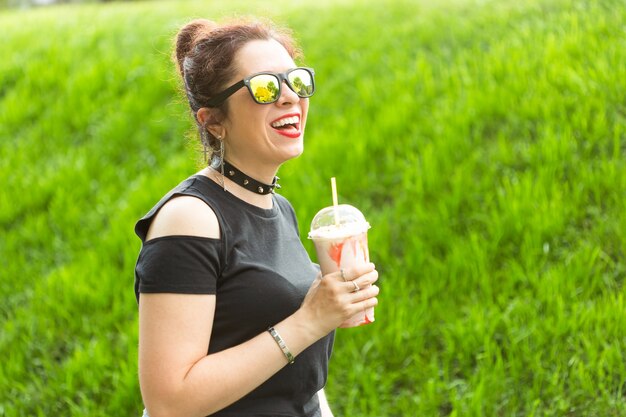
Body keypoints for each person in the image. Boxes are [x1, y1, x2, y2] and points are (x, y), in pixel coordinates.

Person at [133, 17, 380, 417]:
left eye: (296, 81)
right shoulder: (190, 219)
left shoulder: (277, 208)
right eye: (264, 87)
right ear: (213, 121)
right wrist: (310, 320)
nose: (289, 98)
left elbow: (297, 384)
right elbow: (168, 402)